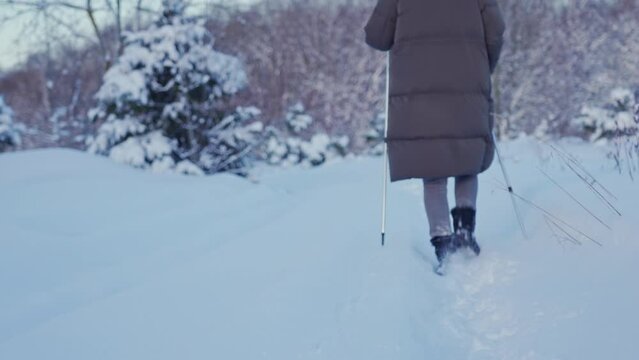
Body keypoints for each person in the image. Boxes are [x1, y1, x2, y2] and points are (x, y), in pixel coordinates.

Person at [364, 0, 505, 264]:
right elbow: (495, 31)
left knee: (433, 171)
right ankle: (464, 230)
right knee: (467, 159)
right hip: (467, 81)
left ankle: (442, 243)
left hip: (417, 90)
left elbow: (377, 36)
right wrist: (484, 66)